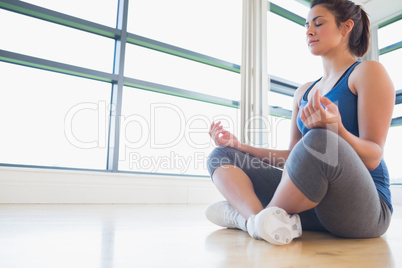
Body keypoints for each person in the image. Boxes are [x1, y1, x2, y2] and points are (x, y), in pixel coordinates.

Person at [205, 0, 395, 246]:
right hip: (316, 205)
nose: (309, 31)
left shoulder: (367, 72)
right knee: (222, 155)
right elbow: (294, 157)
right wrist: (242, 147)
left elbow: (373, 157)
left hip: (366, 210)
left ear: (346, 27)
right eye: (306, 25)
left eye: (319, 23)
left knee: (320, 140)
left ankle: (250, 219)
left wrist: (337, 131)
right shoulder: (304, 92)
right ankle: (258, 221)